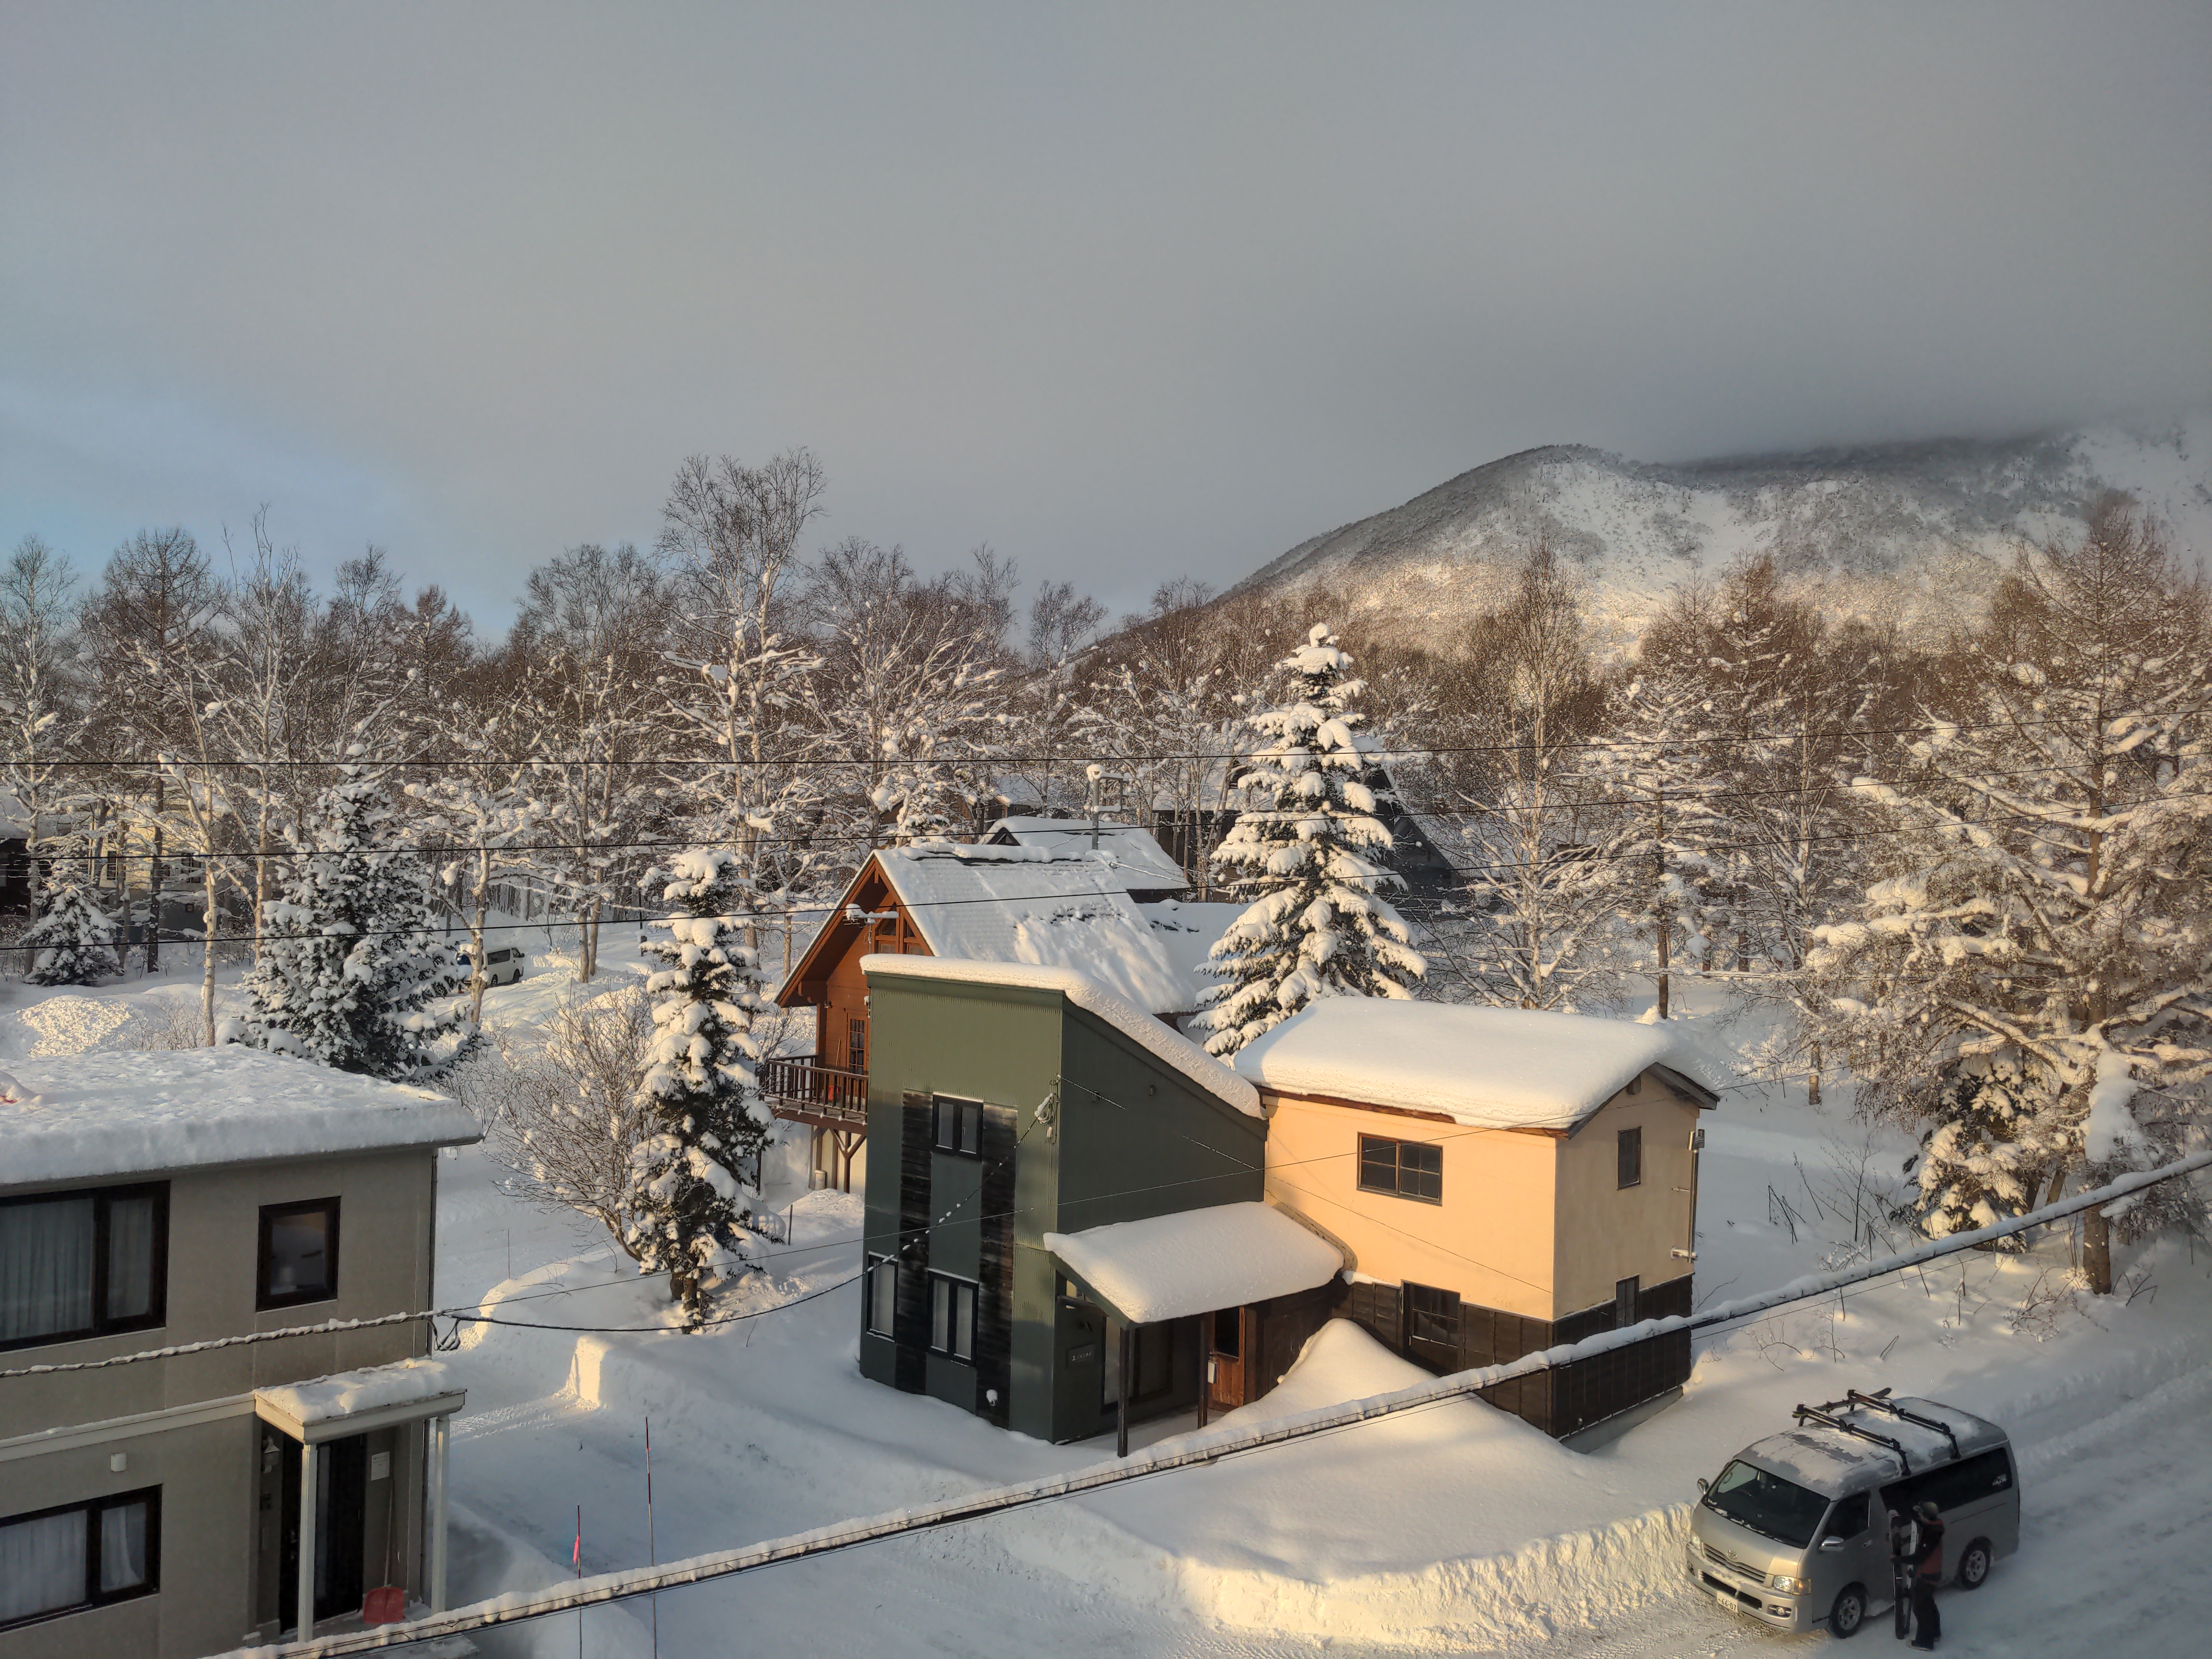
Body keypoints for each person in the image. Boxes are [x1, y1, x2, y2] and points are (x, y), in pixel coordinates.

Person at [1909, 1498, 1945, 1650]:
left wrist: (1898, 1559)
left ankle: (1925, 1642)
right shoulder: (1934, 1526)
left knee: (1920, 1608)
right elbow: (1922, 1521)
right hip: (1933, 1572)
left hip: (1927, 1575)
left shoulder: (1931, 1535)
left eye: (1922, 1514)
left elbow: (1920, 1557)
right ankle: (1935, 1633)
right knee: (1929, 1603)